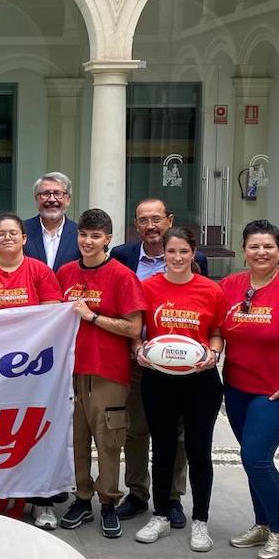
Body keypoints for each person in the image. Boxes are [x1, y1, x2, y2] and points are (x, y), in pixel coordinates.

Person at [0, 213, 64, 529]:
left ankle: (41, 501)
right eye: (1, 233)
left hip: (33, 370)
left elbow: (51, 320)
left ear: (24, 239)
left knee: (35, 432)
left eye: (13, 233)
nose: (7, 238)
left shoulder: (40, 272)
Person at [218, 220, 279, 559]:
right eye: (254, 247)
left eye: (268, 247)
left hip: (277, 391)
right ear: (244, 251)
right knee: (250, 457)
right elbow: (216, 330)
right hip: (238, 388)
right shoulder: (230, 285)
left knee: (256, 457)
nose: (261, 253)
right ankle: (262, 523)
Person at [110, 198, 206, 526]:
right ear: (135, 226)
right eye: (143, 220)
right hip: (139, 360)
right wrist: (136, 347)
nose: (150, 226)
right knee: (135, 431)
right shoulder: (122, 257)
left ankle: (172, 498)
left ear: (169, 220)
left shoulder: (196, 260)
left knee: (176, 434)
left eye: (156, 219)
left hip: (182, 365)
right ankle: (137, 492)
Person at [131, 226, 226, 551]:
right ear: (164, 254)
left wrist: (213, 354)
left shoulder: (211, 290)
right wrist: (139, 349)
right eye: (171, 251)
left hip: (201, 382)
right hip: (159, 379)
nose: (177, 257)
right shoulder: (149, 287)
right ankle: (159, 514)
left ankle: (200, 520)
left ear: (193, 253)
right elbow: (136, 329)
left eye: (183, 251)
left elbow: (216, 332)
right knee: (163, 448)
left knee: (199, 451)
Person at [55, 209, 145, 539]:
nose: (88, 241)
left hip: (108, 371)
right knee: (76, 439)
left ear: (108, 239)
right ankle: (81, 498)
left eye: (96, 236)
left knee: (109, 440)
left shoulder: (122, 276)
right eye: (83, 235)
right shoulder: (65, 273)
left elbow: (133, 326)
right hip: (71, 371)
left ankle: (108, 501)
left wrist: (92, 317)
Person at [24, 172, 80, 270]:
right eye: (45, 194)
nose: (52, 199)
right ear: (36, 199)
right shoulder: (21, 231)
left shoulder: (80, 234)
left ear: (68, 199)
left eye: (58, 193)